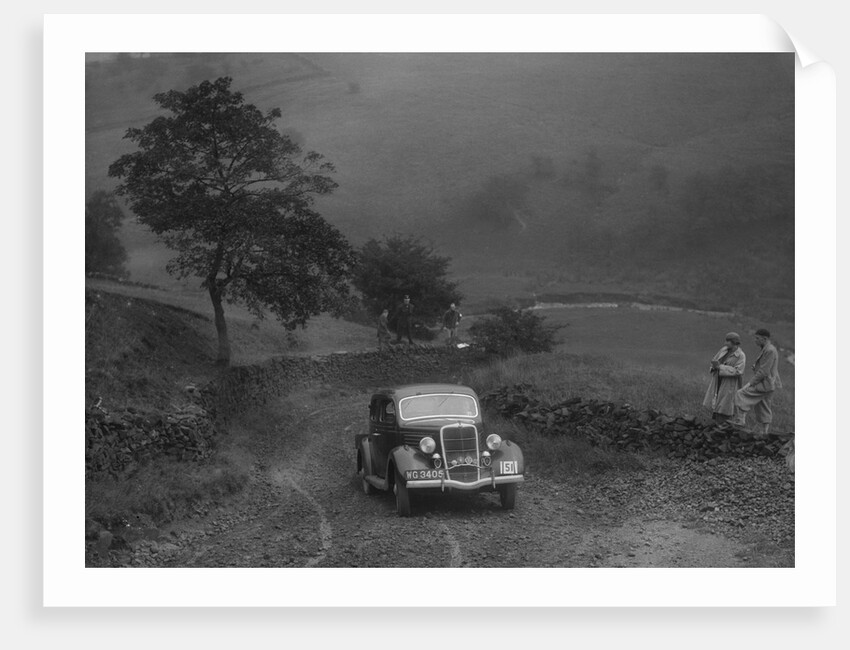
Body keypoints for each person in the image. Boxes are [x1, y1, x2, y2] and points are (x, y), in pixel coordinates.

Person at [730, 328, 783, 436]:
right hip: (769, 384)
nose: (755, 340)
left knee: (741, 394)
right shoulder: (768, 349)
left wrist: (749, 384)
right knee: (763, 406)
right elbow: (766, 367)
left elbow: (764, 371)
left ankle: (740, 420)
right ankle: (764, 432)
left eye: (757, 338)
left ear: (764, 339)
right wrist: (756, 366)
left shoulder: (770, 350)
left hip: (765, 384)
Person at [702, 332, 746, 423]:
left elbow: (738, 371)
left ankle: (724, 424)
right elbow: (714, 360)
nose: (725, 343)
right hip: (718, 380)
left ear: (734, 342)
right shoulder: (723, 350)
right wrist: (714, 367)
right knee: (716, 401)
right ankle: (716, 422)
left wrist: (721, 368)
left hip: (729, 383)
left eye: (728, 341)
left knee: (725, 405)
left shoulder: (741, 355)